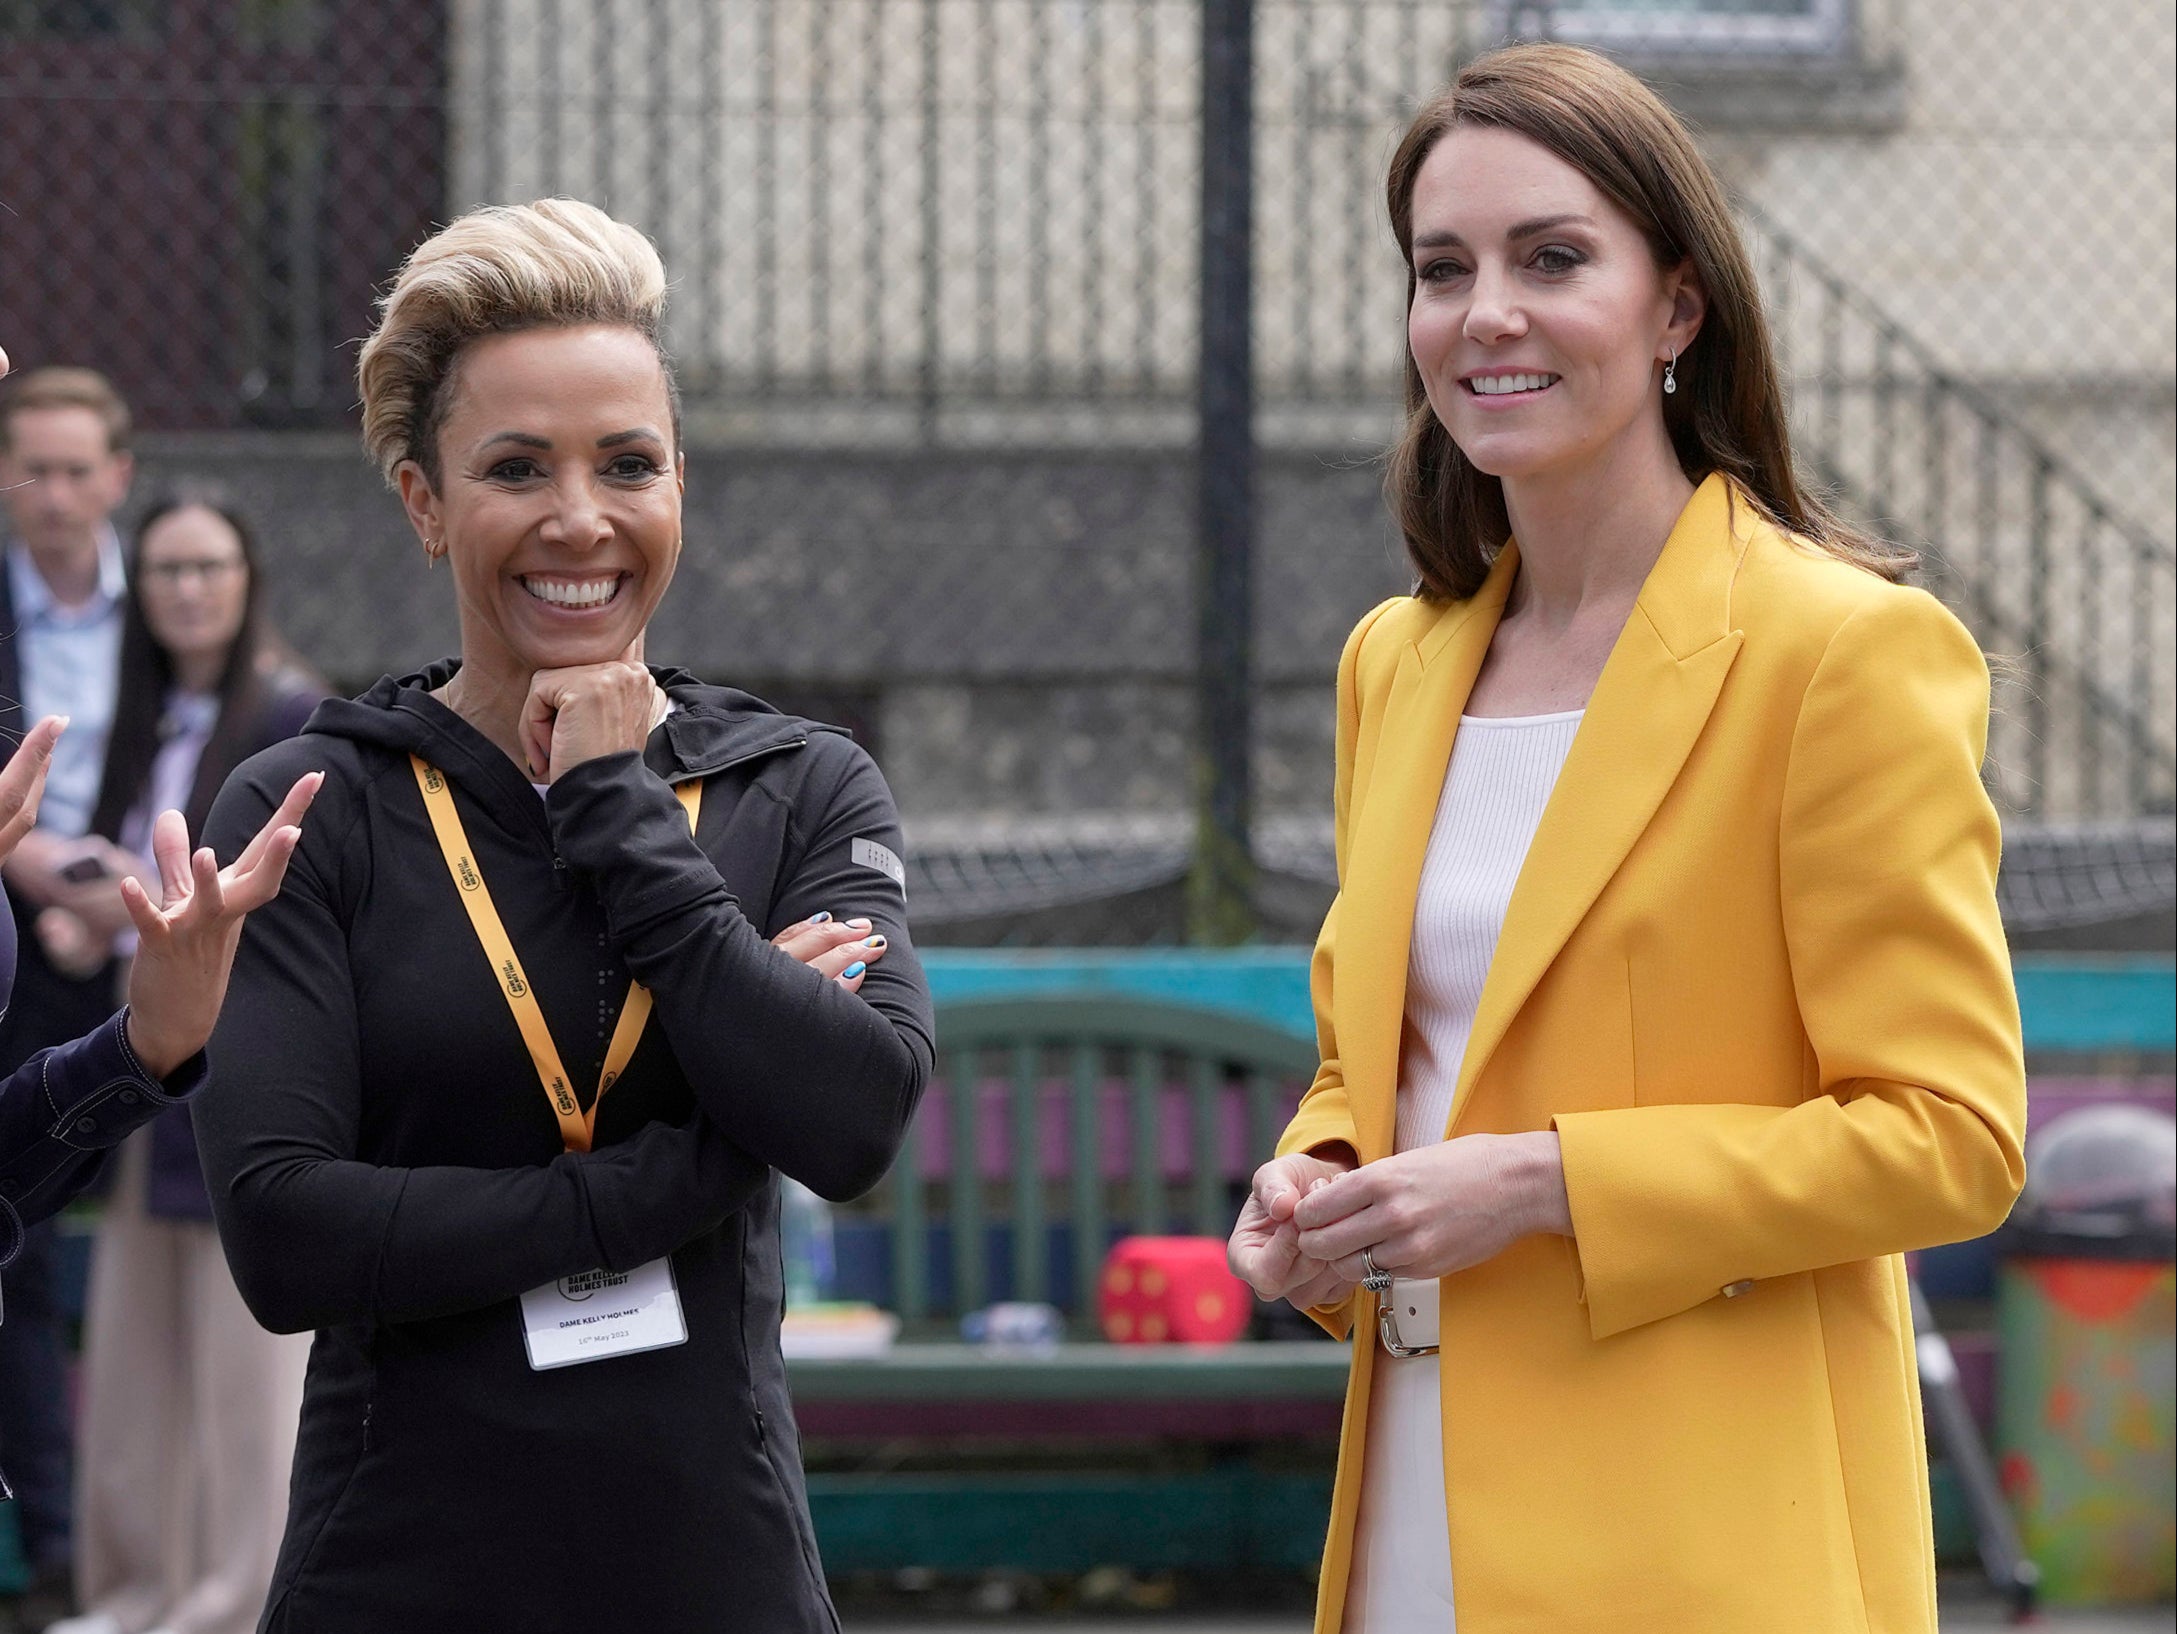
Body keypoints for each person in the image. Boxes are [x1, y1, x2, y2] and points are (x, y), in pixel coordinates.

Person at [1225, 44, 2026, 1634]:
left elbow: (1950, 1133)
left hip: (1706, 1537)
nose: (1486, 313)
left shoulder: (1843, 652)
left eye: (1552, 258)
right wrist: (1322, 1177)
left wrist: (1545, 1183)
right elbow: (1383, 1055)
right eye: (1441, 269)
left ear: (1678, 307)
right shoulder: (1399, 660)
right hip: (1410, 1509)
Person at [194, 198, 934, 1633]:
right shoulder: (308, 808)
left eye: (628, 464)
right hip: (399, 1565)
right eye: (515, 467)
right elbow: (287, 1234)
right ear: (425, 501)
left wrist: (613, 804)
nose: (578, 518)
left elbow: (850, 1123)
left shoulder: (798, 784)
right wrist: (687, 1165)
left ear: (679, 487)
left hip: (712, 1559)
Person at [47, 489, 329, 1634]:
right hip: (140, 1047)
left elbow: (295, 893)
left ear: (246, 575)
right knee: (135, 1342)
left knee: (242, 1351)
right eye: (164, 569)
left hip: (240, 1046)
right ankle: (132, 1589)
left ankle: (227, 1597)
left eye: (208, 565)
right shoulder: (141, 716)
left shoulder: (291, 714)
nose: (187, 589)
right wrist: (91, 917)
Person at [0, 365, 152, 1617]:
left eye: (73, 468)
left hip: (153, 945)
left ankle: (165, 1539)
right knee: (25, 1257)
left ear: (118, 476)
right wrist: (42, 880)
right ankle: (56, 1545)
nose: (52, 495)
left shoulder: (169, 597)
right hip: (15, 951)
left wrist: (113, 897)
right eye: (29, 468)